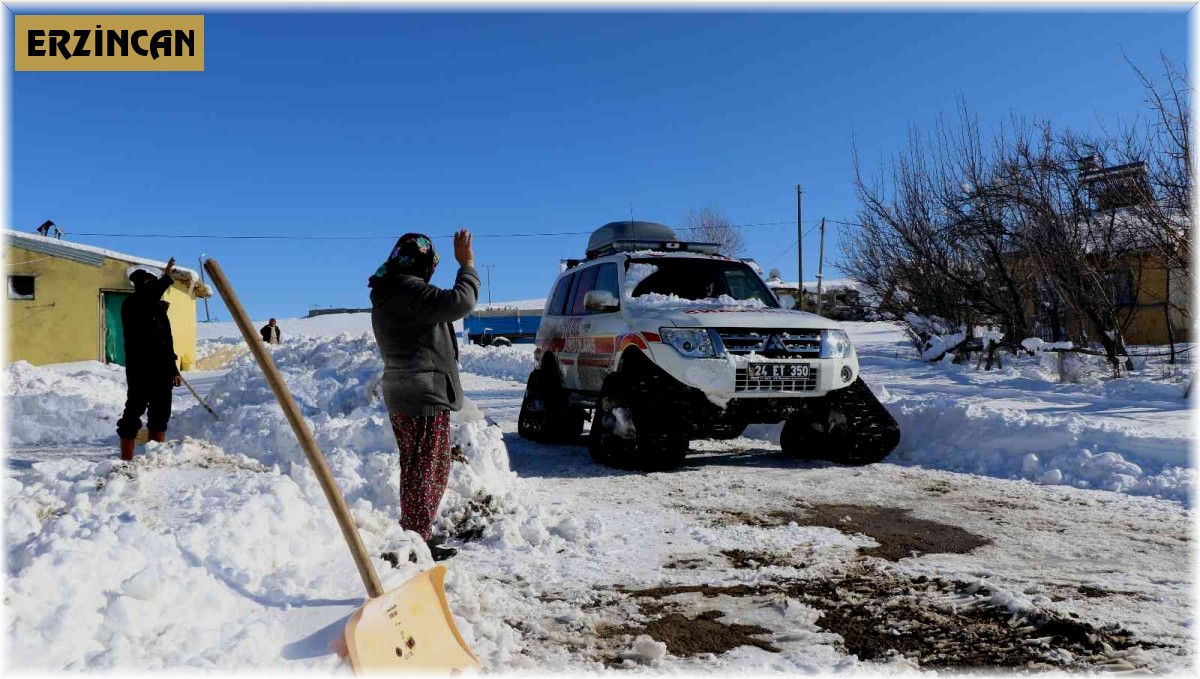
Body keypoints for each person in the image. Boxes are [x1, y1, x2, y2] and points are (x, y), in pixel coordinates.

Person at [370, 230, 479, 561]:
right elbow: (462, 301)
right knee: (428, 469)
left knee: (416, 467)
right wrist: (467, 264)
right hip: (423, 392)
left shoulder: (388, 293)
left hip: (401, 391)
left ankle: (414, 533)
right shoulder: (410, 292)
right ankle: (417, 540)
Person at [117, 258, 183, 461]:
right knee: (133, 413)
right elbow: (149, 297)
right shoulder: (133, 304)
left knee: (160, 416)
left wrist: (173, 369)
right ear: (141, 286)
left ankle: (156, 459)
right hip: (141, 370)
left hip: (162, 370)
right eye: (150, 283)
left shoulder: (159, 310)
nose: (154, 287)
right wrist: (167, 278)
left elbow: (165, 342)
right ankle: (126, 460)